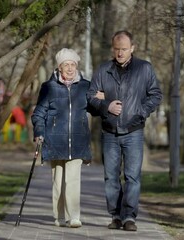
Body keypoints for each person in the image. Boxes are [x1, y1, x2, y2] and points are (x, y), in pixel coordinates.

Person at [86, 30, 162, 231]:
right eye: (117, 49)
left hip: (134, 131)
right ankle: (115, 216)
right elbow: (90, 98)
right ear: (113, 49)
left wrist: (141, 112)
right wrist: (106, 106)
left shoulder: (144, 69)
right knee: (111, 176)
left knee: (132, 176)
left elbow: (155, 94)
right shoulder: (103, 70)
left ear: (132, 48)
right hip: (109, 131)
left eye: (124, 49)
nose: (120, 53)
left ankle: (129, 217)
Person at [31, 48, 94, 228]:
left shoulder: (85, 86)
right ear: (59, 67)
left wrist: (104, 102)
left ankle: (74, 216)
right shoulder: (48, 87)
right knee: (58, 182)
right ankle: (59, 216)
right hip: (54, 141)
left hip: (78, 141)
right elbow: (38, 114)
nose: (70, 68)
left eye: (73, 64)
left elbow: (95, 108)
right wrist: (39, 132)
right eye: (66, 64)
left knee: (73, 180)